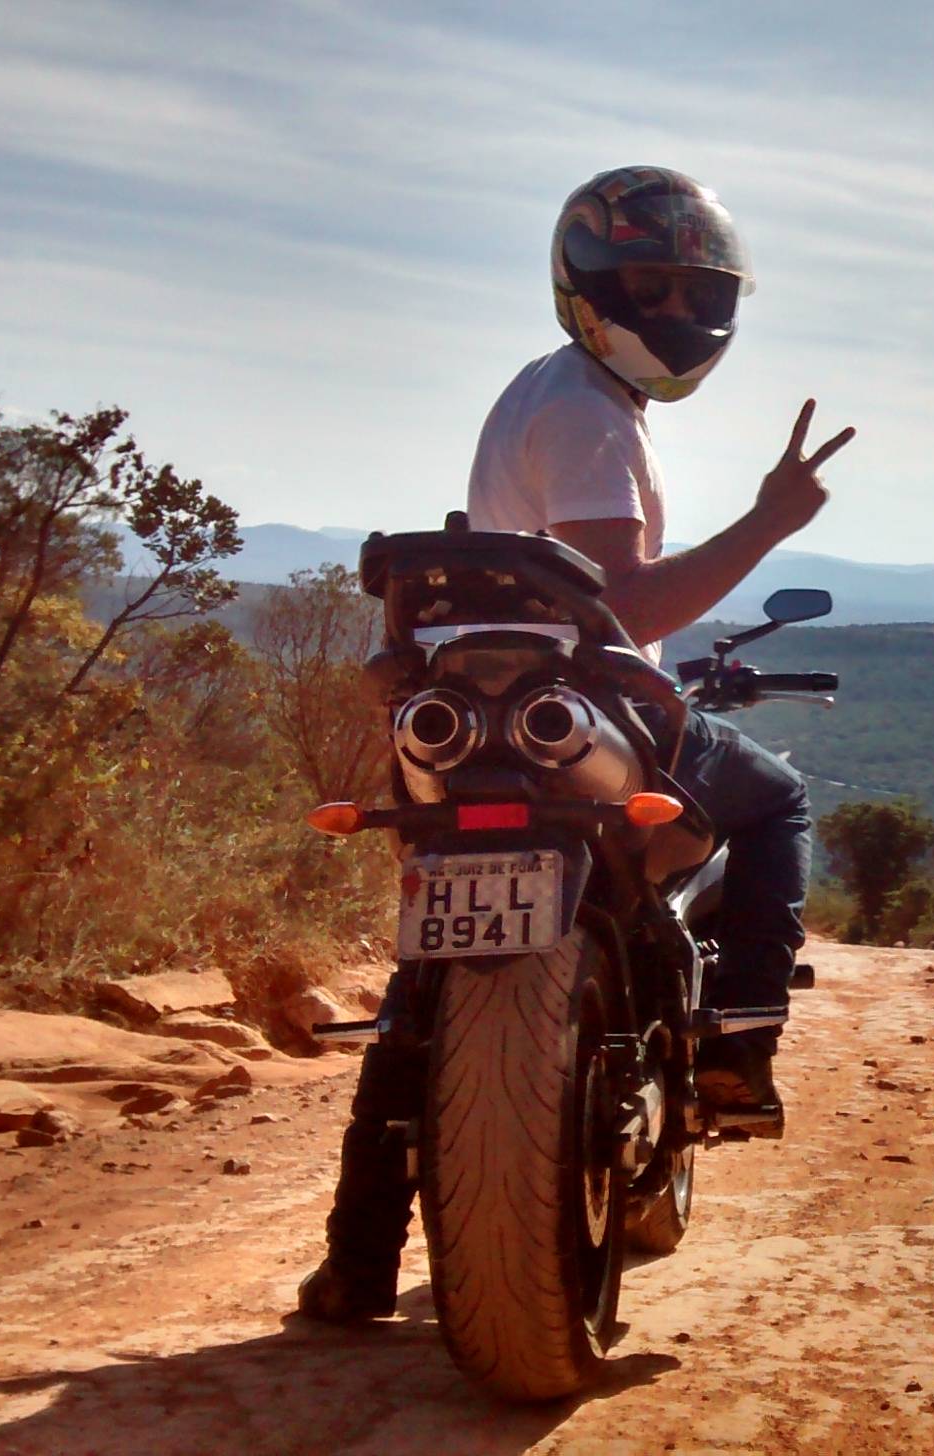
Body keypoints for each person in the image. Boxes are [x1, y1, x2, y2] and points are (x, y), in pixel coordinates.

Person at [297, 165, 851, 1323]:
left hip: (468, 718)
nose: (678, 310)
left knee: (431, 974)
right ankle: (738, 1050)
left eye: (694, 289)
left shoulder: (545, 392)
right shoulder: (591, 415)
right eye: (651, 286)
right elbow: (629, 605)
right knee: (779, 800)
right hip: (581, 712)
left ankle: (357, 1258)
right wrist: (768, 520)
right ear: (590, 287)